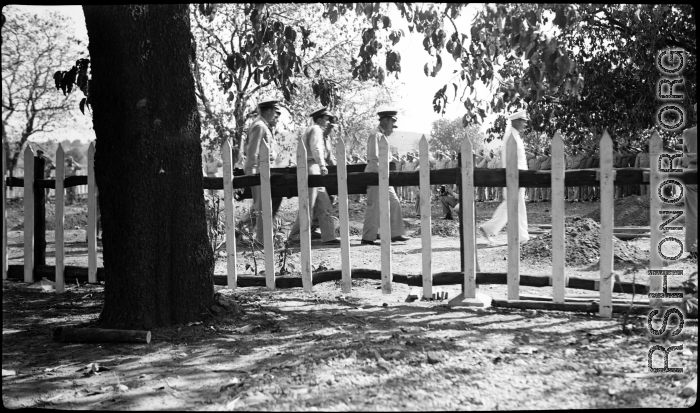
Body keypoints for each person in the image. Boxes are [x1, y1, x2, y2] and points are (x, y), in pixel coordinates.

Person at [288, 106, 340, 245]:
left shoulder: (319, 132)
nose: (328, 122)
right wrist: (322, 165)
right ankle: (294, 236)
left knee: (324, 203)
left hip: (314, 167)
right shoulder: (315, 129)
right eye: (326, 119)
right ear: (319, 119)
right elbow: (316, 149)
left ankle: (329, 236)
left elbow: (328, 154)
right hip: (310, 167)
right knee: (308, 204)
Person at [478, 110, 531, 245]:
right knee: (514, 205)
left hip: (518, 176)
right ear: (516, 121)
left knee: (513, 205)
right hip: (514, 176)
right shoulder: (510, 136)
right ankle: (520, 236)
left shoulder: (514, 135)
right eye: (523, 121)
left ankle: (491, 229)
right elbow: (511, 160)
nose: (525, 124)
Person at [361, 108, 409, 245]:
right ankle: (368, 237)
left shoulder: (382, 137)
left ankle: (396, 233)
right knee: (374, 206)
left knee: (394, 203)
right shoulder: (375, 135)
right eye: (392, 123)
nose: (393, 128)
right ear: (385, 120)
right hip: (375, 174)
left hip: (383, 175)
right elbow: (374, 157)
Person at [244, 98, 283, 245]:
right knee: (261, 206)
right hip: (259, 171)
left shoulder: (264, 125)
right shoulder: (259, 126)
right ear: (268, 110)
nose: (275, 115)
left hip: (265, 170)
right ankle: (262, 240)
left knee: (261, 206)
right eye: (274, 111)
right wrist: (251, 174)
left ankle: (238, 230)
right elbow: (252, 151)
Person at [683, 104, 697, 260]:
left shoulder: (687, 133)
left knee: (692, 213)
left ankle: (693, 249)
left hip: (692, 172)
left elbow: (684, 157)